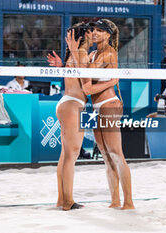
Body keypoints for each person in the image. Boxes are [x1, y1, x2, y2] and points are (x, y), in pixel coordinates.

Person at [48, 23, 118, 211]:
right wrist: (113, 80)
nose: (94, 34)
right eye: (90, 32)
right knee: (71, 156)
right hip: (72, 104)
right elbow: (86, 83)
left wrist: (62, 65)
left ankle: (62, 199)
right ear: (84, 36)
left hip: (66, 103)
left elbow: (77, 77)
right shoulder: (80, 54)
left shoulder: (76, 54)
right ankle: (68, 201)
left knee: (65, 156)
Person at [67, 19, 135, 210]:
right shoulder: (94, 52)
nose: (94, 32)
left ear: (108, 34)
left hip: (108, 104)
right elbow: (83, 75)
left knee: (116, 154)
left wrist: (76, 53)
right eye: (93, 29)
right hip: (97, 107)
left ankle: (128, 202)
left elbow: (87, 82)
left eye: (99, 30)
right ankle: (115, 201)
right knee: (106, 155)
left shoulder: (108, 53)